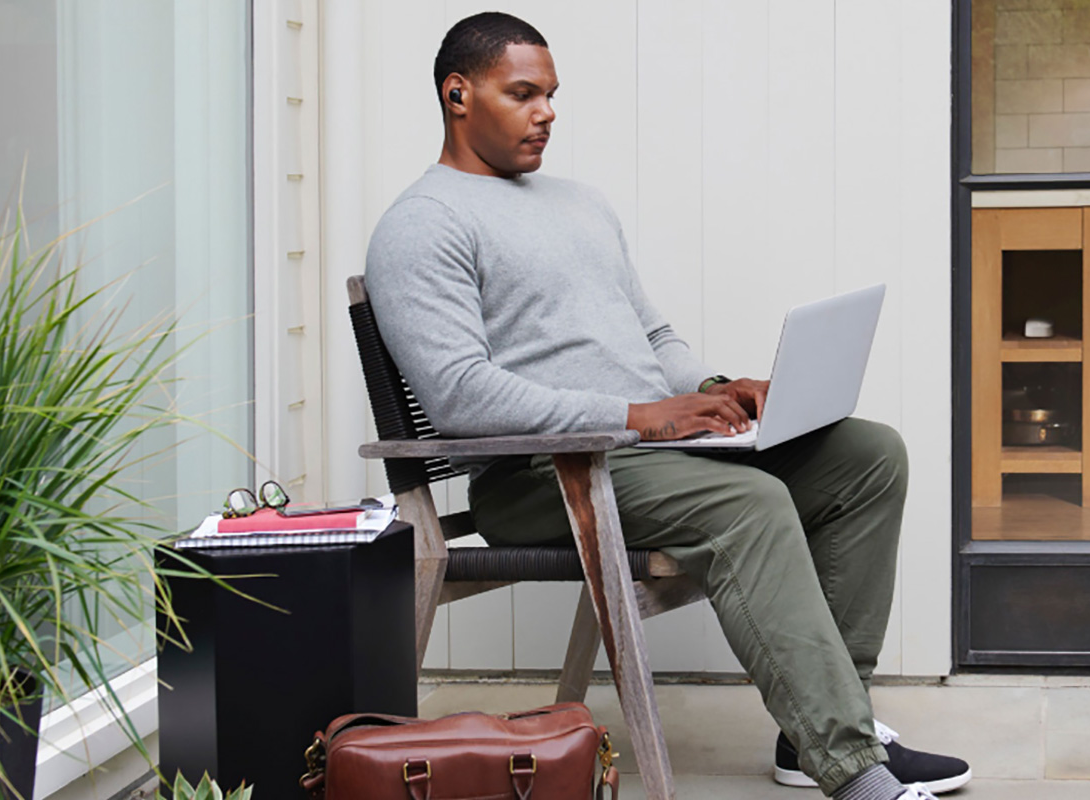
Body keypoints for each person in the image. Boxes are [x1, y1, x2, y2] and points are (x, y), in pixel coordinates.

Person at [365, 12, 972, 800]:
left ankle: (820, 728)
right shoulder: (422, 225)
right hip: (541, 476)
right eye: (523, 94)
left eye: (551, 95)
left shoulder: (579, 203)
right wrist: (634, 416)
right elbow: (459, 396)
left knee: (869, 455)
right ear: (458, 94)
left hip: (638, 457)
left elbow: (652, 336)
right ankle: (853, 769)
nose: (546, 112)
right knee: (750, 502)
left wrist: (716, 390)